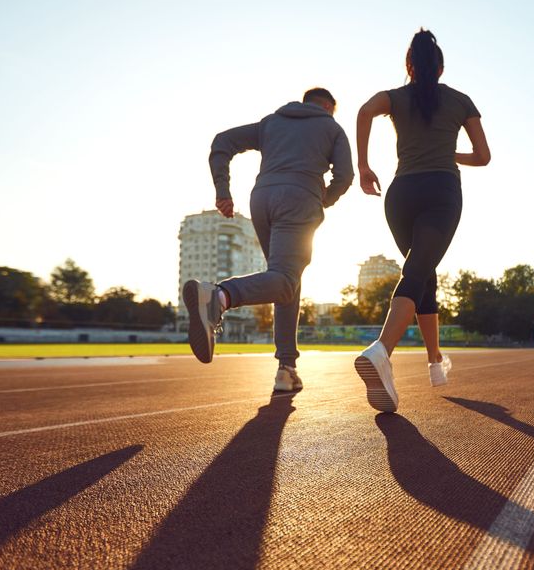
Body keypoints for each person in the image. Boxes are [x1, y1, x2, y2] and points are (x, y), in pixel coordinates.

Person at [353, 29, 491, 412]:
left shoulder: (395, 98)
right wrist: (450, 153)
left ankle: (434, 362)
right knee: (416, 274)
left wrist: (364, 167)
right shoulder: (461, 101)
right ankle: (382, 351)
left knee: (422, 272)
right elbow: (483, 156)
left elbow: (364, 111)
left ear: (408, 65)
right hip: (441, 192)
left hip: (400, 195)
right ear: (441, 67)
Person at [185, 87, 353, 393]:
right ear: (329, 107)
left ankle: (286, 369)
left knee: (285, 282)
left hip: (261, 199)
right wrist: (323, 199)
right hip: (300, 198)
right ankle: (219, 296)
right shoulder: (332, 127)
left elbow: (222, 142)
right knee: (286, 280)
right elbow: (344, 176)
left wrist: (222, 190)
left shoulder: (271, 123)